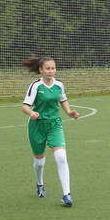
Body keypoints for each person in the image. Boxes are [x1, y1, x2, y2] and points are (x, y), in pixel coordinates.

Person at [21, 56, 79, 206]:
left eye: (53, 68)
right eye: (48, 68)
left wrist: (69, 112)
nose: (51, 71)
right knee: (39, 162)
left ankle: (67, 194)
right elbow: (25, 106)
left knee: (61, 157)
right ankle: (39, 184)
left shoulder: (59, 85)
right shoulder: (35, 86)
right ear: (41, 70)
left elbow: (62, 99)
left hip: (54, 124)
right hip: (37, 126)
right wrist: (31, 113)